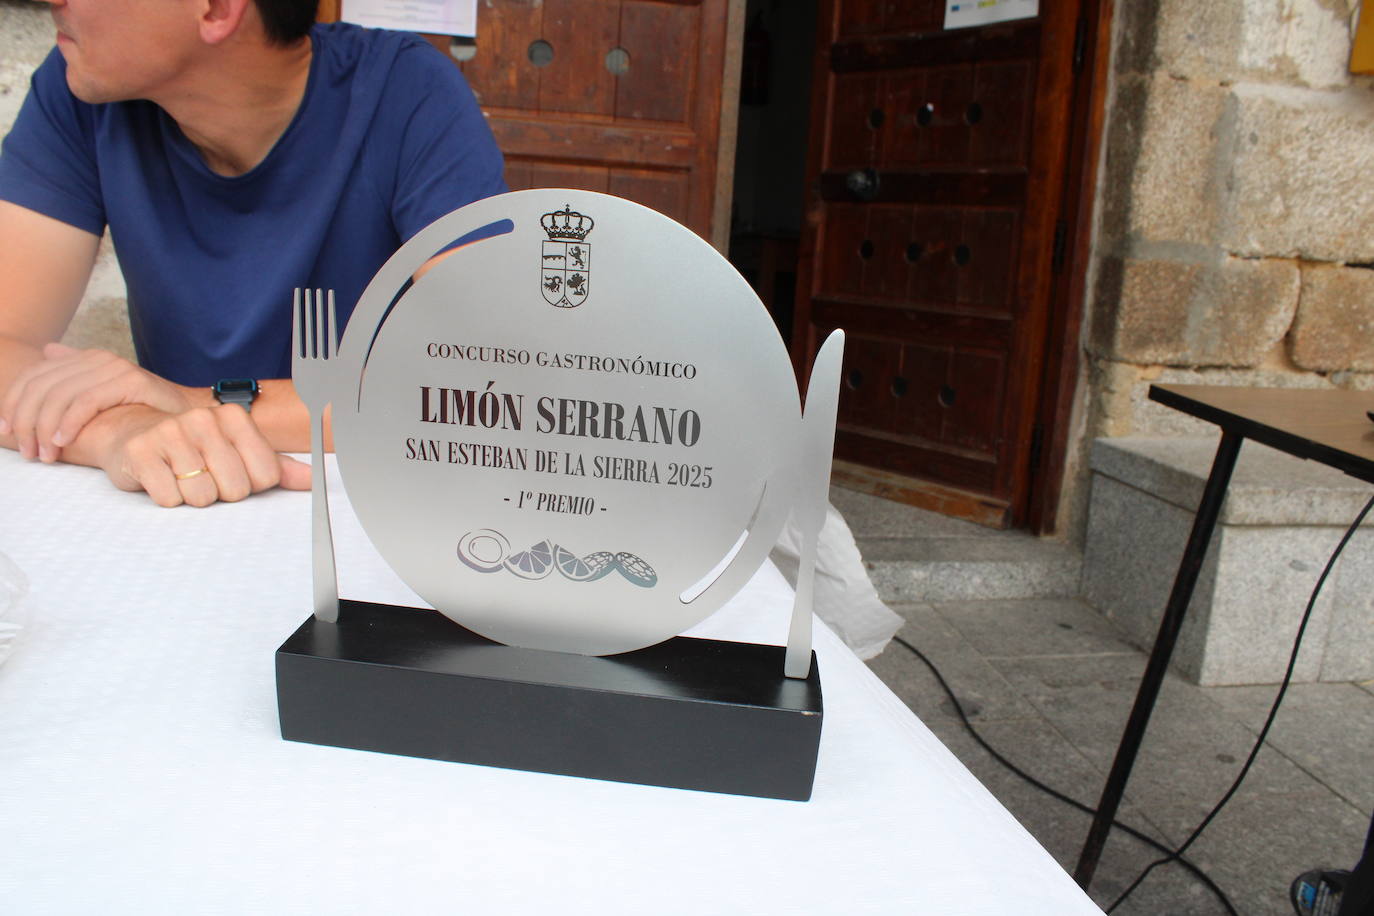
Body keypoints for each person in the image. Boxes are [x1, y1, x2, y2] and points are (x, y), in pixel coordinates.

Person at [0, 0, 506, 507]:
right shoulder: (81, 87)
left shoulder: (407, 90)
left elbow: (487, 383)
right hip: (183, 505)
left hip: (373, 509)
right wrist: (122, 426)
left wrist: (186, 403)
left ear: (217, 10)